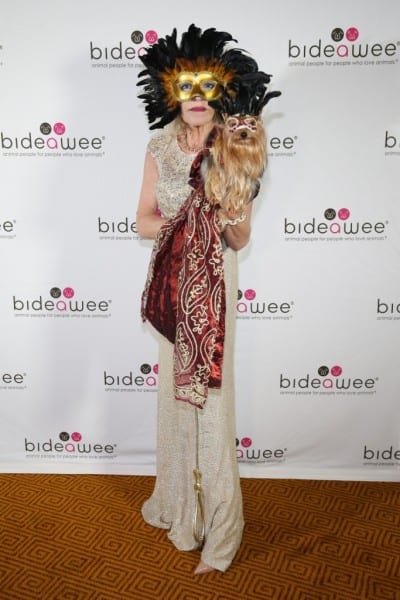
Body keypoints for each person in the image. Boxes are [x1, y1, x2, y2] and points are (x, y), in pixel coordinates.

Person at [135, 24, 280, 574]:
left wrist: (226, 205)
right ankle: (179, 511)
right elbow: (143, 221)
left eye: (206, 86)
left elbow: (239, 239)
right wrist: (189, 219)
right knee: (176, 400)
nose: (196, 97)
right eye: (185, 85)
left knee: (212, 403)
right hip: (171, 284)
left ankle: (221, 529)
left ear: (221, 90)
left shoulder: (235, 143)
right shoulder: (156, 145)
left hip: (214, 286)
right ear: (170, 89)